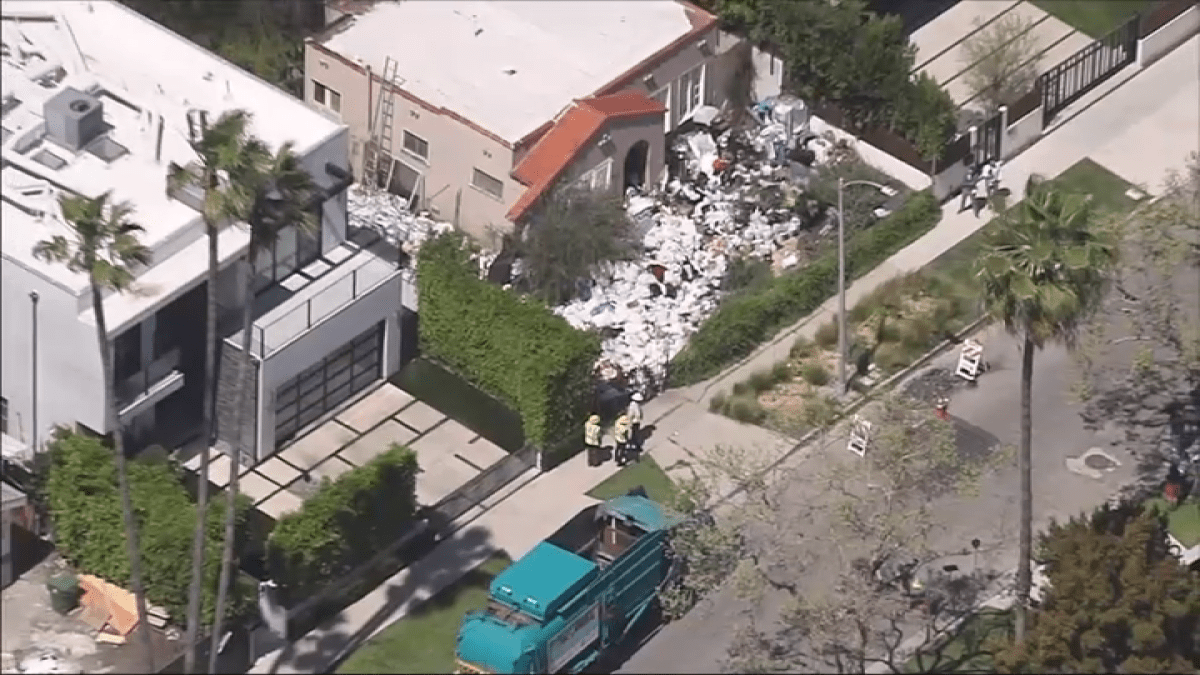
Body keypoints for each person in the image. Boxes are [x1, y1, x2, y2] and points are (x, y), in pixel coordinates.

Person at [627, 392, 644, 461]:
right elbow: (630, 415)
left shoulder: (636, 405)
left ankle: (635, 446)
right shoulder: (632, 406)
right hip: (634, 423)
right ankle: (634, 447)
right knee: (634, 435)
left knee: (635, 434)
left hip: (636, 422)